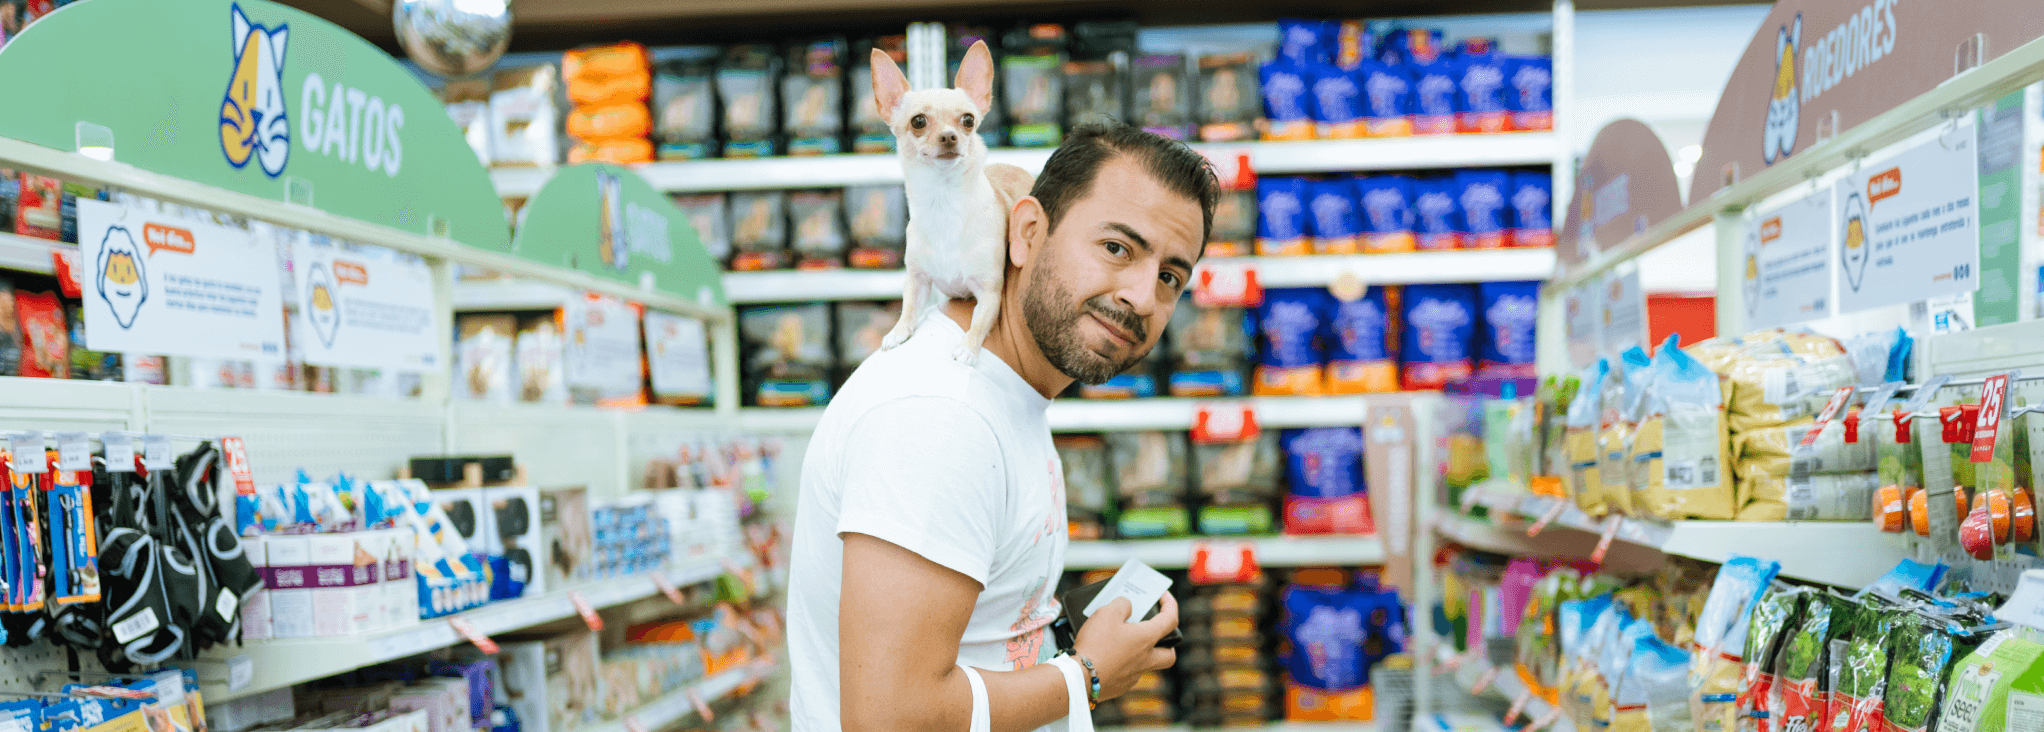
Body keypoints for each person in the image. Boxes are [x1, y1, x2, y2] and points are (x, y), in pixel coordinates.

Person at [786, 123, 1221, 732]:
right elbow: (887, 716)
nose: (1143, 297)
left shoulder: (1004, 393)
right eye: (1118, 249)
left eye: (1171, 276)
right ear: (1028, 233)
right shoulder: (940, 417)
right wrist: (1088, 675)